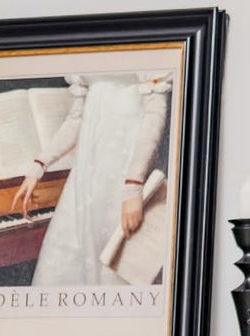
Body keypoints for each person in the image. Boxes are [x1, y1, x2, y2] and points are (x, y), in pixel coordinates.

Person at [9, 71, 172, 286]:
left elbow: (155, 114)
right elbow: (76, 119)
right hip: (86, 175)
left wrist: (134, 185)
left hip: (125, 174)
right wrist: (39, 164)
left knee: (117, 267)